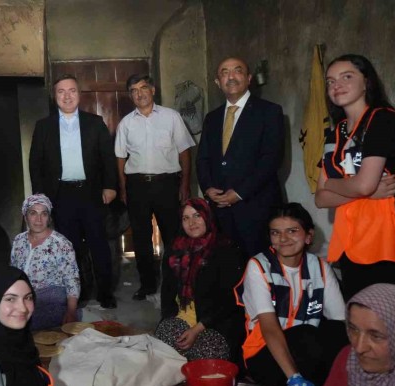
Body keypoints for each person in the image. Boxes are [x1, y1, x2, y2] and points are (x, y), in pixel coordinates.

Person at [316, 54, 395, 298]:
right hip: (352, 243)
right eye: (330, 81)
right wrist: (364, 191)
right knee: (358, 315)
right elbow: (321, 199)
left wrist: (335, 185)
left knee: (391, 317)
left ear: (366, 82)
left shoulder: (382, 118)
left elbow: (360, 185)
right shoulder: (335, 134)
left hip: (391, 243)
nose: (336, 85)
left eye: (347, 77)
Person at [235, 203, 347, 386]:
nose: (283, 239)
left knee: (338, 331)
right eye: (275, 233)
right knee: (306, 334)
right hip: (265, 354)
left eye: (292, 231)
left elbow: (340, 322)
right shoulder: (259, 266)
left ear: (309, 236)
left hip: (306, 351)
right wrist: (296, 380)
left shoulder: (319, 267)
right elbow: (270, 329)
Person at [29, 74, 117, 308]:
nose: (67, 96)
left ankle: (106, 293)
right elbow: (35, 164)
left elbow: (107, 157)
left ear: (79, 94)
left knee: (99, 244)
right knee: (71, 247)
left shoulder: (95, 122)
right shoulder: (43, 126)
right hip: (60, 196)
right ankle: (79, 293)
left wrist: (110, 186)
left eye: (72, 91)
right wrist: (40, 198)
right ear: (54, 96)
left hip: (92, 193)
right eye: (61, 91)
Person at [115, 74, 196, 301]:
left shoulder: (171, 117)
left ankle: (175, 283)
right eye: (134, 90)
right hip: (137, 186)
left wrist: (185, 184)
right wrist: (123, 189)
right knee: (141, 238)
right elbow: (120, 158)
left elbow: (184, 152)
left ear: (152, 90)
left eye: (143, 88)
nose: (139, 94)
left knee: (172, 235)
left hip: (166, 184)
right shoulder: (126, 123)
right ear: (130, 95)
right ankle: (147, 284)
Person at [196, 57, 284, 257]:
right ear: (218, 82)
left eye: (237, 71)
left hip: (256, 207)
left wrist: (239, 193)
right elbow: (202, 159)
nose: (231, 77)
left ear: (249, 78)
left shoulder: (269, 112)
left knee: (259, 265)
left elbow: (271, 159)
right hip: (220, 210)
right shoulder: (212, 118)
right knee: (226, 264)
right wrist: (208, 188)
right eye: (224, 72)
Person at [155, 198, 246, 362]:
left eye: (197, 215)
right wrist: (169, 319)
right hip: (181, 317)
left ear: (208, 217)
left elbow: (230, 300)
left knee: (206, 355)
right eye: (186, 218)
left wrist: (197, 329)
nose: (192, 223)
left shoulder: (226, 249)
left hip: (214, 322)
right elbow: (167, 291)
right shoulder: (175, 250)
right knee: (164, 342)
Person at [10, 194, 81, 329]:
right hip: (24, 296)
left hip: (51, 296)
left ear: (49, 218)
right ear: (25, 216)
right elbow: (13, 271)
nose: (39, 219)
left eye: (44, 214)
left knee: (24, 323)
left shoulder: (61, 244)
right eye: (33, 213)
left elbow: (72, 279)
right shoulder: (19, 240)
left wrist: (71, 311)